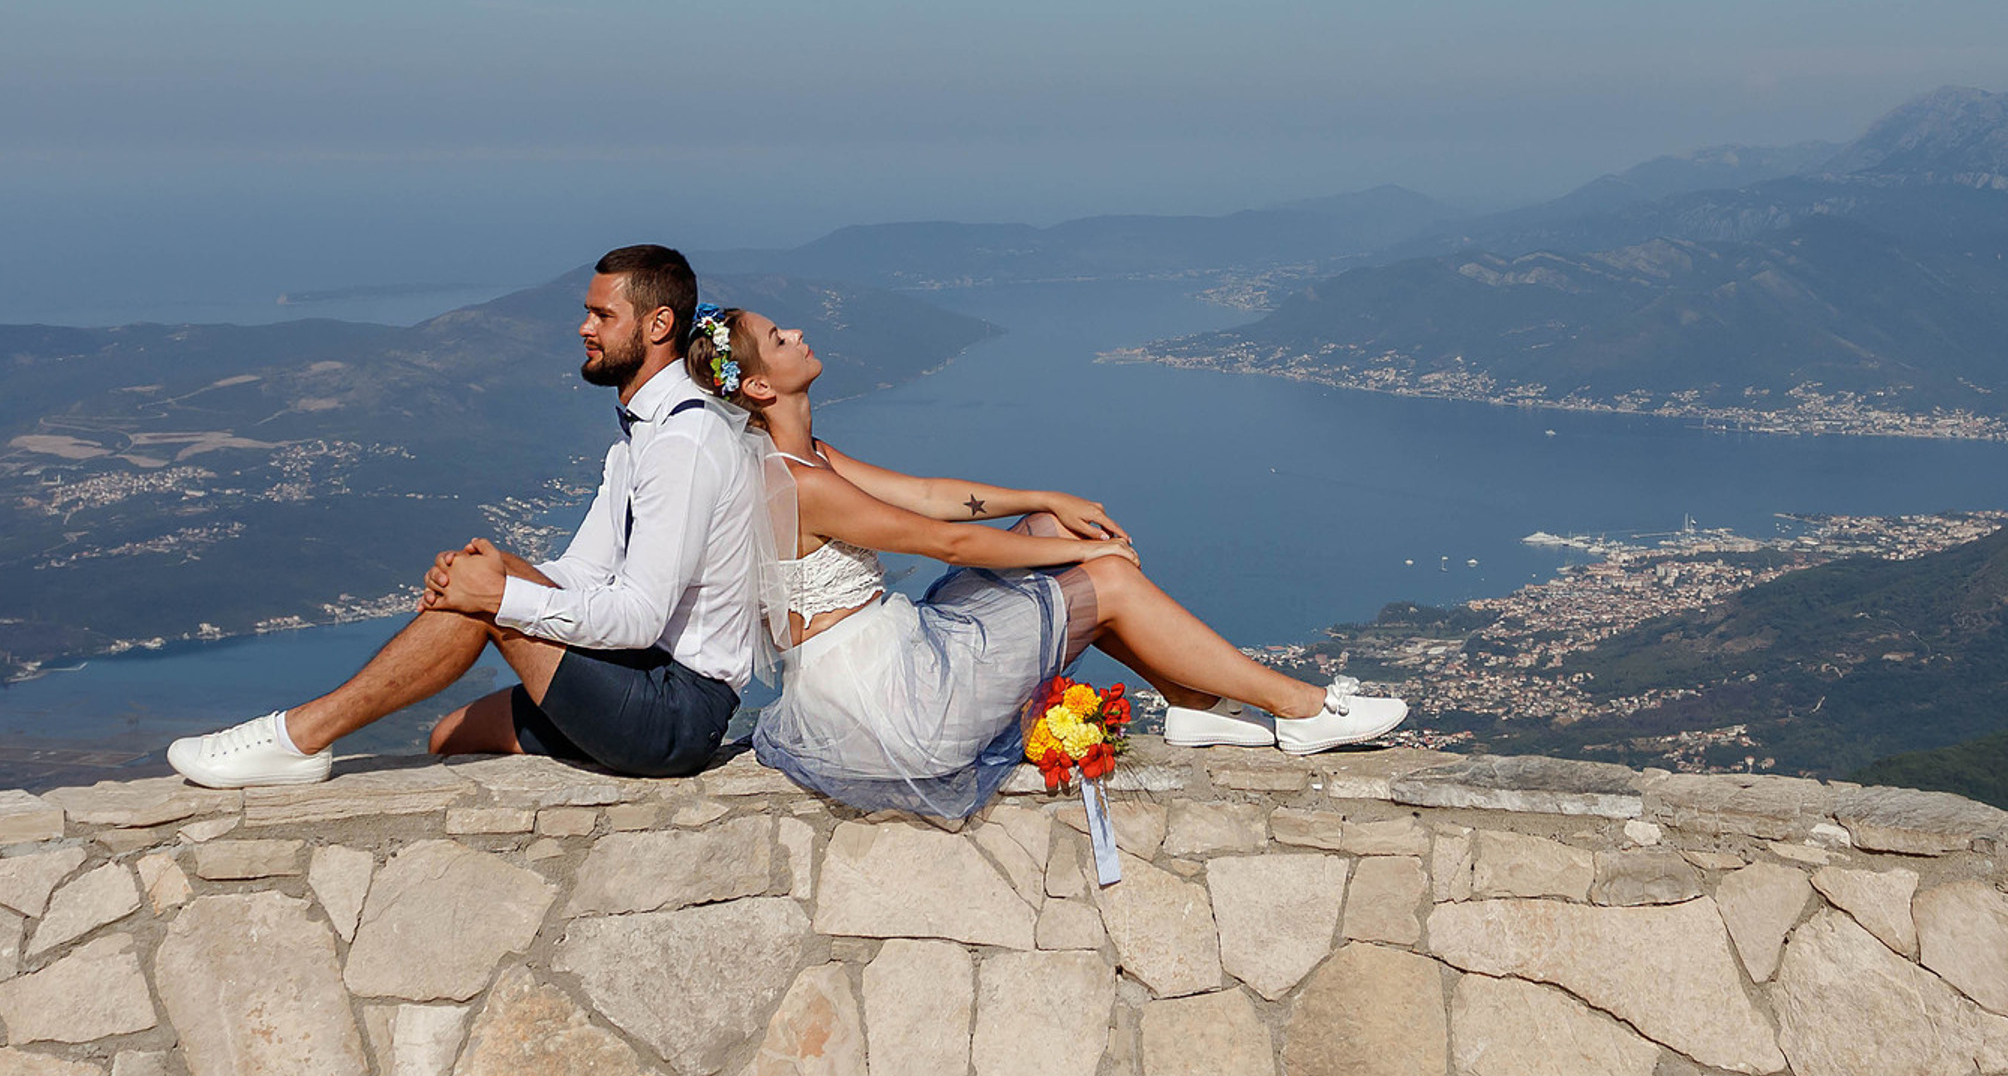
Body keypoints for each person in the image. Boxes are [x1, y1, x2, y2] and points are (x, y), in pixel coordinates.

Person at [690, 304, 1404, 816]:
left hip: (887, 662)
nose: (800, 333)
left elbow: (935, 497)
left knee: (1039, 531)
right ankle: (1300, 708)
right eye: (780, 338)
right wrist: (1086, 552)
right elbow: (948, 543)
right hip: (894, 704)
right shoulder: (804, 482)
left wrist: (1045, 499)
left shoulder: (806, 457)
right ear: (758, 387)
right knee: (1108, 580)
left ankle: (1190, 703)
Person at [165, 245, 766, 787]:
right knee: (450, 735)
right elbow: (584, 568)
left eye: (603, 316)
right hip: (636, 675)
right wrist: (487, 573)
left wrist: (498, 598)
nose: (584, 328)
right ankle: (308, 732)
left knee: (488, 598)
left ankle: (294, 737)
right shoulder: (642, 438)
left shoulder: (684, 444)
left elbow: (638, 617)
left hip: (673, 710)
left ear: (659, 324)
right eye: (587, 311)